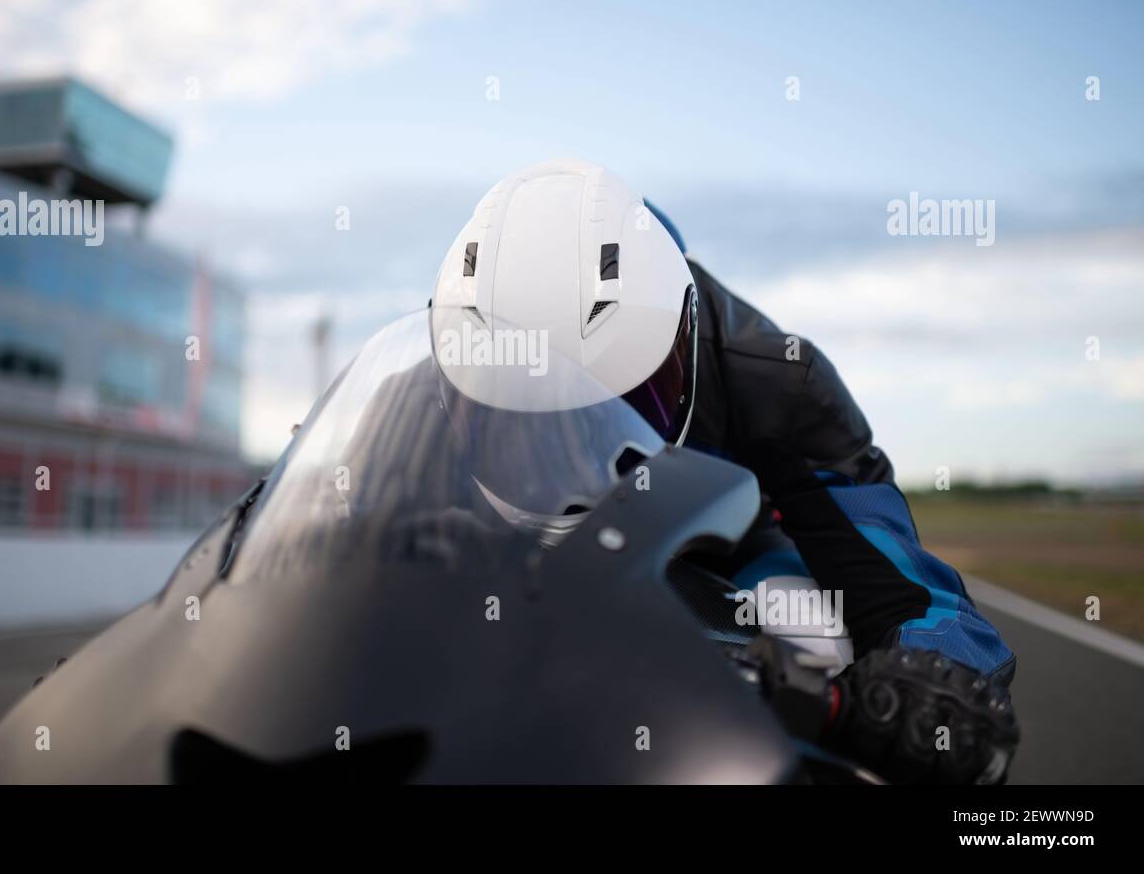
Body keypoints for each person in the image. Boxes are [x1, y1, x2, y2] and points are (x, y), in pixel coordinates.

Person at [430, 158, 1019, 783]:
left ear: (683, 338)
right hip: (509, 569)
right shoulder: (424, 386)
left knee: (810, 625)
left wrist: (928, 695)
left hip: (725, 566)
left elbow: (907, 590)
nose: (568, 454)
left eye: (615, 408)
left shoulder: (780, 384)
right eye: (518, 418)